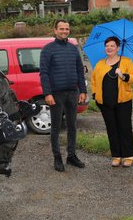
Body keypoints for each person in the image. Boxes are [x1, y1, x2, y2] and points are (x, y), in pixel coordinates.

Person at [40, 19, 87, 172]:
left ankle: (71, 155)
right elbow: (44, 73)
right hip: (56, 94)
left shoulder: (73, 49)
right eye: (61, 29)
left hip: (73, 93)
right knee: (55, 127)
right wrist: (47, 93)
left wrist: (83, 90)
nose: (64, 31)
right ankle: (57, 157)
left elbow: (80, 70)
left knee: (72, 126)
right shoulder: (48, 49)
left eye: (67, 29)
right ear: (55, 30)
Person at [91, 36, 133, 167]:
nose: (109, 48)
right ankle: (116, 155)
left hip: (123, 102)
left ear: (118, 48)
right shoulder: (100, 64)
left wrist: (123, 75)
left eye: (112, 45)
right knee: (111, 129)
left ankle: (128, 155)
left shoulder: (126, 61)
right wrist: (95, 94)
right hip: (105, 103)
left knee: (125, 128)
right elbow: (94, 80)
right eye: (107, 46)